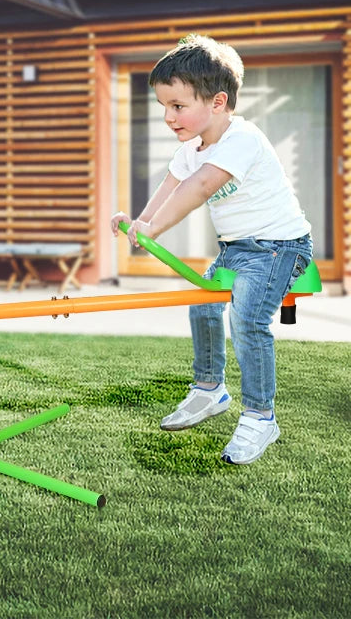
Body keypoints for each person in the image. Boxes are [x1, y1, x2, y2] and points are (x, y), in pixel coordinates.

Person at [110, 34, 312, 465]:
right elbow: (172, 186)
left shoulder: (242, 138)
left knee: (247, 320)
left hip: (279, 247)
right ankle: (209, 390)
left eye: (178, 106)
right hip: (237, 249)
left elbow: (200, 186)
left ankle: (260, 417)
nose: (168, 116)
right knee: (203, 306)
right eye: (164, 106)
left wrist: (155, 227)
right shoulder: (191, 149)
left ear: (218, 102)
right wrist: (142, 225)